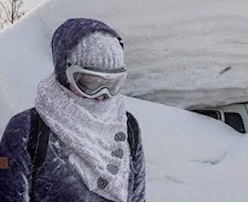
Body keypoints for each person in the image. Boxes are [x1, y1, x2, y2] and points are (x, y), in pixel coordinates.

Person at [0, 18, 145, 201]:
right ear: (65, 73)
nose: (102, 95)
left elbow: (138, 198)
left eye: (112, 84)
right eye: (91, 83)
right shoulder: (28, 130)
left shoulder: (127, 127)